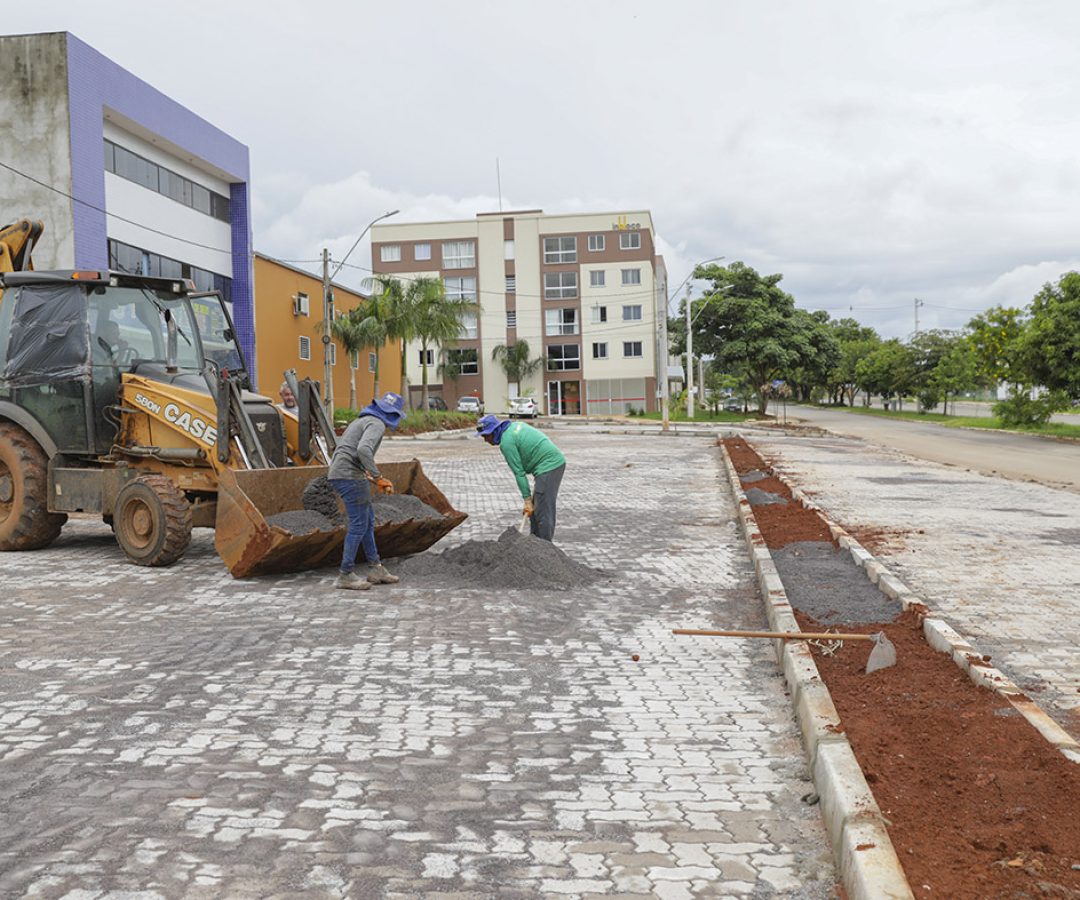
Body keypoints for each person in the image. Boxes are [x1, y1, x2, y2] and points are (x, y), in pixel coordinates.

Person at [327, 391, 405, 590]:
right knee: (359, 525)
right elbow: (363, 450)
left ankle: (376, 568)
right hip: (349, 477)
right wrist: (378, 477)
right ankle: (345, 574)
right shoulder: (377, 424)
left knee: (367, 522)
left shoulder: (362, 420)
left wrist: (370, 476)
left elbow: (351, 452)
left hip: (342, 473)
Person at [476, 414, 566, 541]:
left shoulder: (507, 443)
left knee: (543, 510)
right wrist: (530, 503)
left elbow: (519, 473)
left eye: (486, 436)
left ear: (494, 431)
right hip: (549, 464)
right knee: (536, 510)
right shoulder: (513, 427)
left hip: (550, 465)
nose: (485, 440)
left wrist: (527, 500)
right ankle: (534, 543)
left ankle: (545, 546)